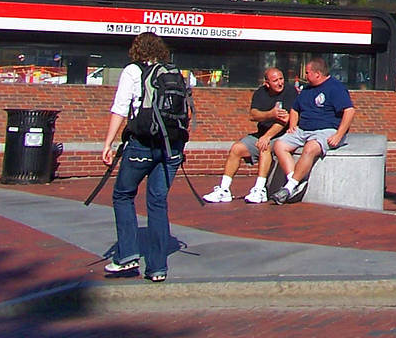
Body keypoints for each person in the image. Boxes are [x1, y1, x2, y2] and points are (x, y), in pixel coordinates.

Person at [99, 32, 181, 282]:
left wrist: (108, 143)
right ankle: (157, 268)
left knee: (123, 195)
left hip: (142, 144)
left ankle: (127, 255)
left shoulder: (133, 71)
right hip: (172, 146)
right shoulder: (173, 72)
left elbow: (120, 108)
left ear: (136, 49)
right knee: (157, 202)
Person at [202, 66, 297, 204]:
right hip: (262, 134)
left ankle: (260, 190)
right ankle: (224, 190)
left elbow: (284, 120)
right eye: (275, 80)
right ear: (267, 83)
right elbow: (253, 115)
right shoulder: (260, 93)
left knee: (264, 147)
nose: (280, 83)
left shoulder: (289, 92)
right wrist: (270, 114)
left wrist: (267, 136)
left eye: (281, 79)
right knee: (236, 149)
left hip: (281, 136)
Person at [269, 58, 355, 205]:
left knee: (310, 148)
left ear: (317, 74)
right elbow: (295, 109)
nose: (305, 75)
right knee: (279, 145)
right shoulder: (306, 89)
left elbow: (349, 111)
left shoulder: (335, 88)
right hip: (303, 130)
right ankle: (295, 182)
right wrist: (293, 125)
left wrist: (339, 134)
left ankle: (289, 188)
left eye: (307, 73)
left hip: (325, 130)